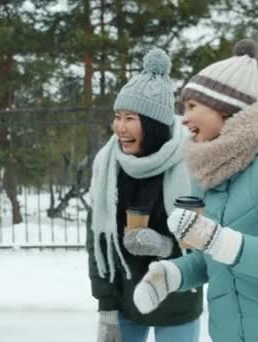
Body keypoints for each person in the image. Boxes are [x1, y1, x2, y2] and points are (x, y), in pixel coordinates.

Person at [133, 39, 258, 342]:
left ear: (225, 108)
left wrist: (218, 240)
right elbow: (219, 255)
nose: (185, 118)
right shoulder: (211, 171)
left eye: (193, 106)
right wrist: (172, 274)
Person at [87, 48, 202, 342]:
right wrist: (106, 308)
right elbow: (97, 242)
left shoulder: (191, 162)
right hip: (124, 301)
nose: (119, 128)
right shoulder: (109, 165)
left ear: (152, 125)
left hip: (176, 301)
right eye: (117, 117)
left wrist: (166, 247)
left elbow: (207, 238)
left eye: (130, 118)